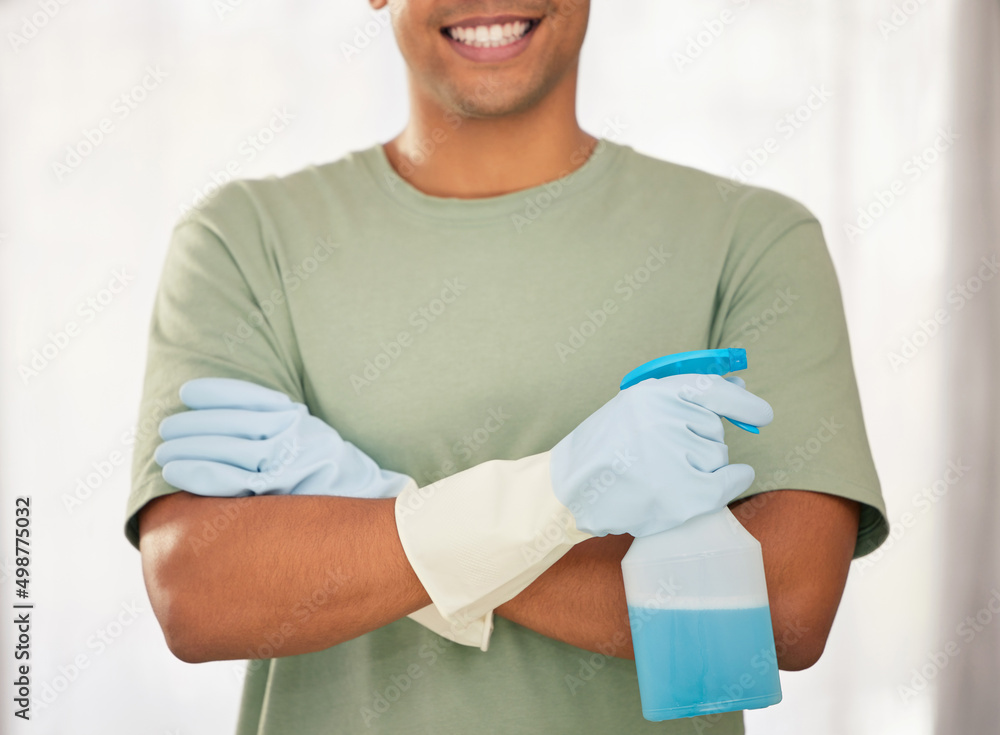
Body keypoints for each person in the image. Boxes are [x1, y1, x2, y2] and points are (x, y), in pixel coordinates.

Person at [124, 1, 889, 733]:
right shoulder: (241, 241)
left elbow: (783, 610)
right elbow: (198, 591)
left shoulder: (751, 241)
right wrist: (549, 503)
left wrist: (376, 512)